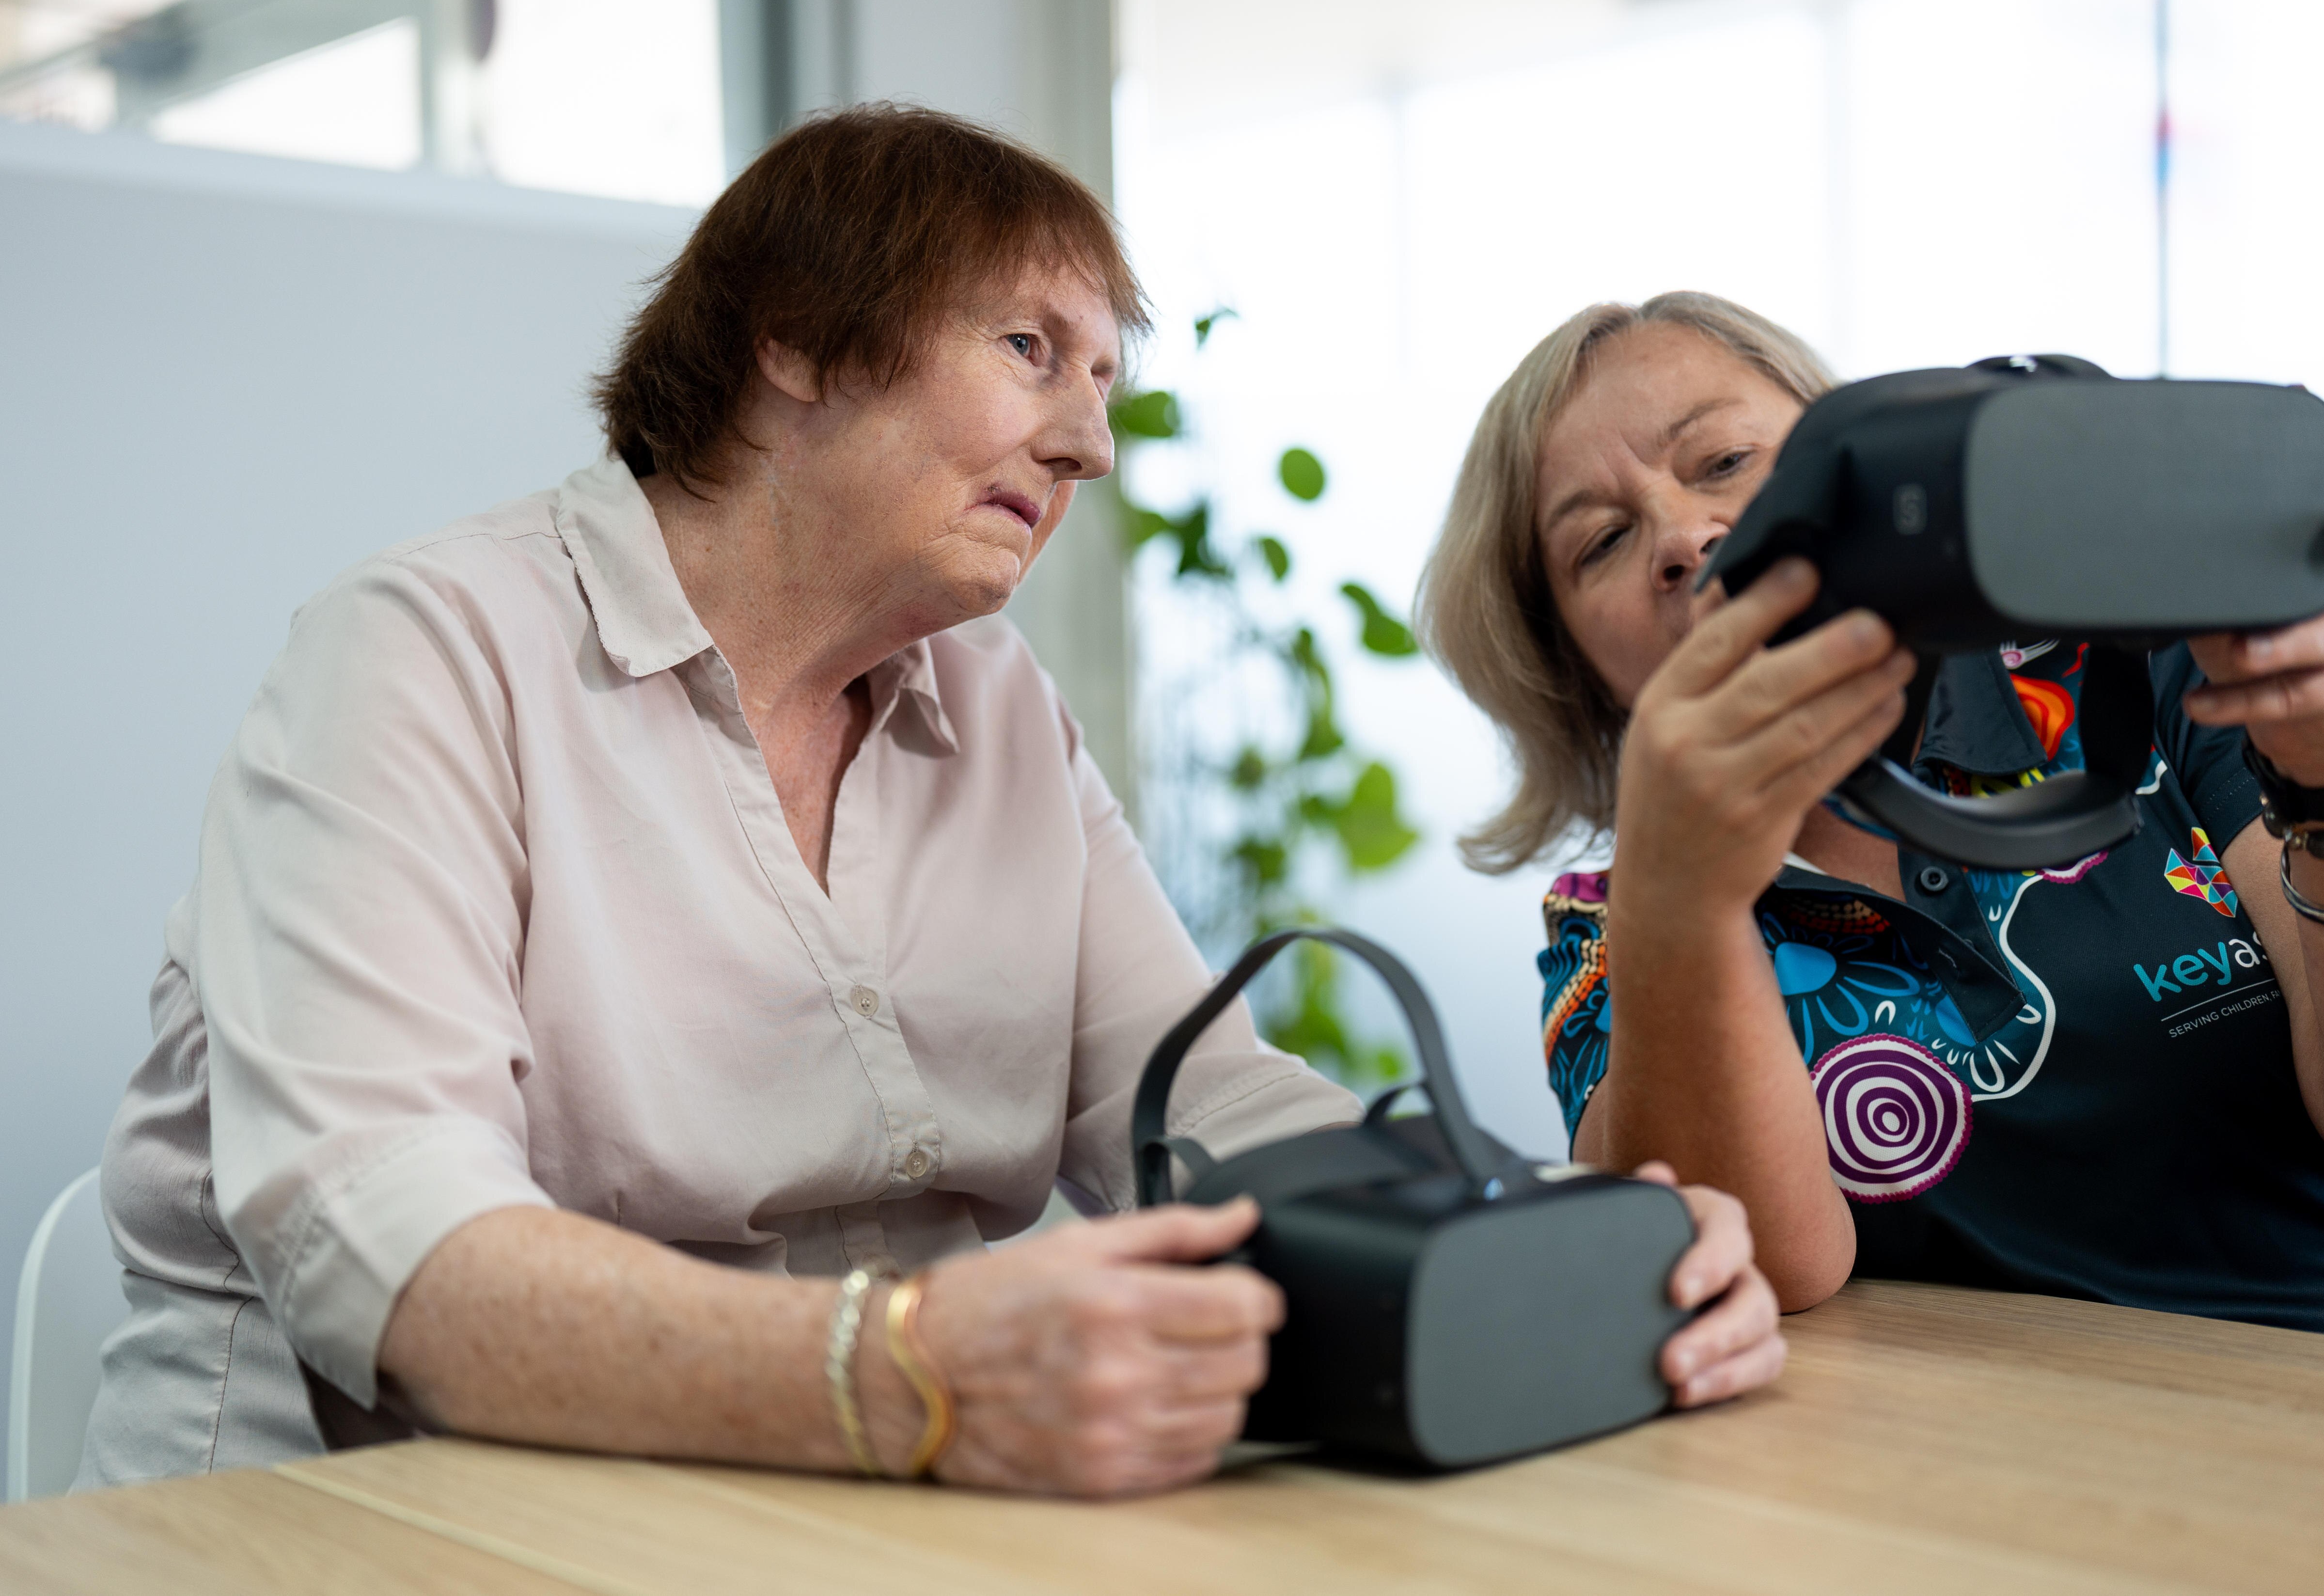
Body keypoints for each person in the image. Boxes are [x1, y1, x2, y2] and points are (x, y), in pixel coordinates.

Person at [79, 112, 1781, 1498]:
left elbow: (1208, 1105)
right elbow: (394, 1245)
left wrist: (1574, 1238)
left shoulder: (995, 703)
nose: (1090, 444)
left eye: (1104, 380)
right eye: (1033, 351)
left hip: (795, 1511)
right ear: (801, 345)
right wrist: (908, 1366)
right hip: (348, 1525)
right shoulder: (426, 654)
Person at [1417, 292, 2324, 1343]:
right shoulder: (1604, 928)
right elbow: (1765, 1271)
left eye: (1723, 463)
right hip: (1981, 1480)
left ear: (1864, 473)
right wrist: (1682, 894)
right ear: (1579, 668)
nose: (1684, 536)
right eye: (1603, 540)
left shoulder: (2155, 678)